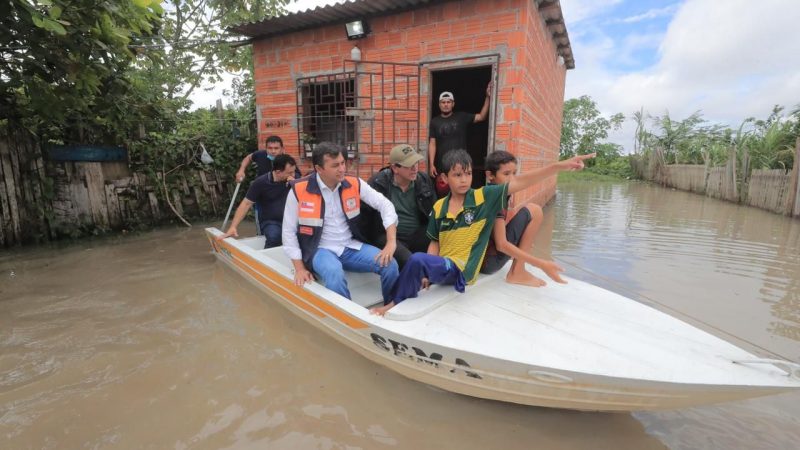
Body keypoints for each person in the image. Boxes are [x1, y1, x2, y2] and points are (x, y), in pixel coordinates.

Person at [370, 149, 594, 316]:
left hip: (462, 272)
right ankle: (395, 301)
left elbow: (520, 181)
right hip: (446, 266)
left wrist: (557, 167)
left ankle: (391, 304)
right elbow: (435, 243)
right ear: (445, 179)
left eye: (467, 174)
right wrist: (430, 270)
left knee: (416, 260)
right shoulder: (439, 207)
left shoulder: (483, 197)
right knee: (419, 260)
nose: (464, 179)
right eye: (457, 175)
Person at [282, 142, 400, 304]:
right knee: (334, 273)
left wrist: (391, 242)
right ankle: (349, 318)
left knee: (390, 264)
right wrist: (300, 268)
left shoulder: (354, 183)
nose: (342, 169)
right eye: (335, 165)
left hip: (350, 246)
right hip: (319, 250)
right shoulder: (299, 190)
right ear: (319, 168)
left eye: (343, 163)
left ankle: (390, 308)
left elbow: (385, 205)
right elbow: (288, 231)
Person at [480, 150, 566, 286]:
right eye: (506, 174)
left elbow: (526, 179)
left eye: (514, 173)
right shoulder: (495, 197)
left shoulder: (489, 191)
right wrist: (541, 263)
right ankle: (517, 272)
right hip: (489, 263)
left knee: (532, 212)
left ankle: (518, 270)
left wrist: (558, 166)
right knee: (535, 210)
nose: (512, 179)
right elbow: (501, 245)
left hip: (484, 259)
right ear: (490, 175)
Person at [362, 144, 435, 269]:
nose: (415, 168)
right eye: (409, 165)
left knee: (440, 240)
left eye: (416, 163)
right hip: (388, 235)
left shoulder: (423, 180)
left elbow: (434, 211)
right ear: (395, 168)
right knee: (409, 260)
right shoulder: (378, 182)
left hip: (417, 233)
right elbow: (365, 217)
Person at [217, 154, 297, 248]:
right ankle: (266, 259)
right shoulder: (260, 182)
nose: (293, 175)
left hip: (291, 219)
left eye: (294, 172)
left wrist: (295, 184)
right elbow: (246, 203)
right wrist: (233, 227)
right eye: (290, 173)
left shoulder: (295, 179)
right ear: (278, 172)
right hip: (270, 221)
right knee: (274, 237)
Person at [428, 83, 492, 194]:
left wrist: (488, 97)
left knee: (461, 193)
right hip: (443, 166)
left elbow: (481, 116)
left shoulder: (461, 117)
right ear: (439, 104)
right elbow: (432, 143)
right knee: (443, 194)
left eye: (448, 102)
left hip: (460, 164)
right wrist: (431, 164)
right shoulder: (434, 122)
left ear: (453, 104)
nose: (446, 105)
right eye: (443, 102)